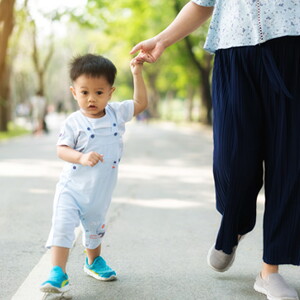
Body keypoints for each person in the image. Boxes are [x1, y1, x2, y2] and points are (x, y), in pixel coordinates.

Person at [131, 1, 300, 300]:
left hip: (293, 49)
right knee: (232, 161)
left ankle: (269, 271)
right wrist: (162, 40)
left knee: (289, 164)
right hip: (233, 54)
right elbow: (202, 3)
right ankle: (234, 223)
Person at [40, 54, 147, 293]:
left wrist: (137, 73)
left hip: (100, 190)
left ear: (110, 92)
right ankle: (58, 272)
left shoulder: (116, 114)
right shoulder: (73, 122)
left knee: (95, 227)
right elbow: (61, 149)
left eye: (99, 92)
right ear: (74, 92)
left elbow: (140, 104)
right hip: (72, 188)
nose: (91, 99)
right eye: (84, 92)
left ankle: (93, 260)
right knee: (63, 224)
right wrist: (81, 157)